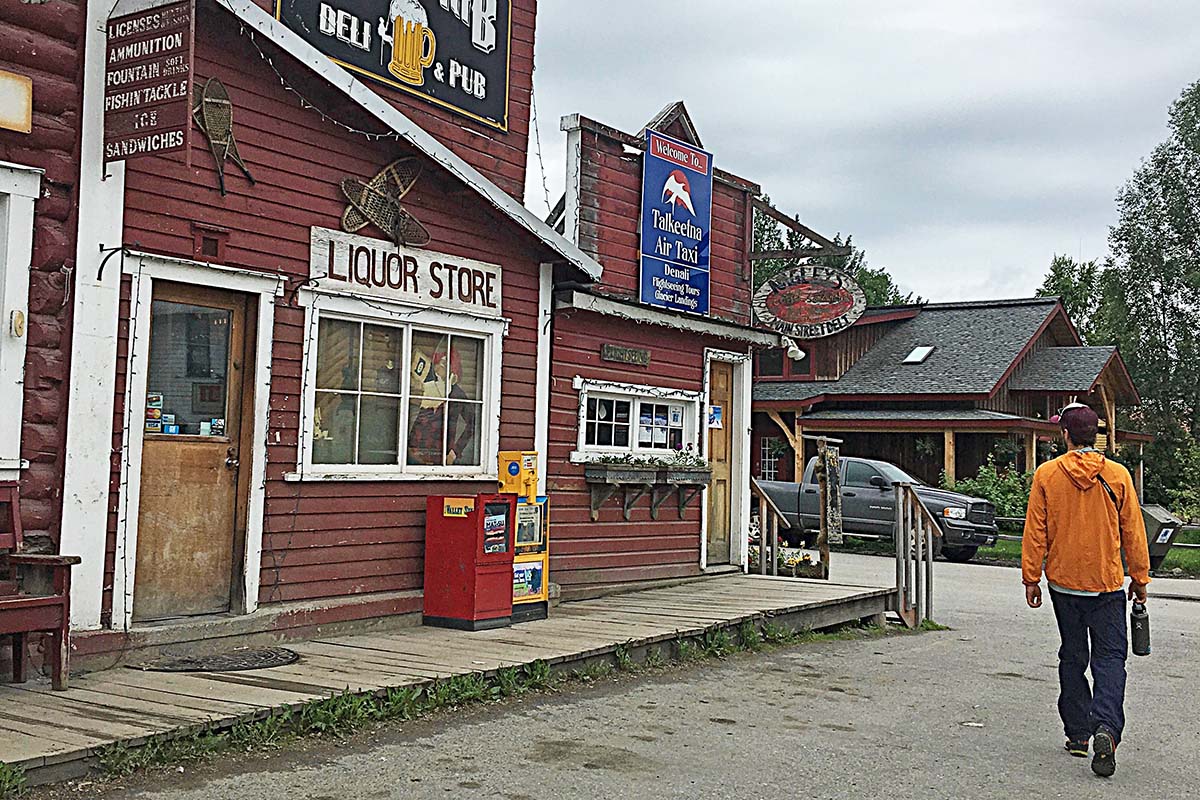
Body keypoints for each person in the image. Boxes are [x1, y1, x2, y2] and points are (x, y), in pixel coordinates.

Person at [1022, 403, 1150, 778]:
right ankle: (1106, 728)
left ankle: (1078, 734)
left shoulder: (1047, 475)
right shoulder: (1118, 474)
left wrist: (1032, 577)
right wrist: (1139, 579)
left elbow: (1035, 532)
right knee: (1110, 660)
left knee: (1072, 655)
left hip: (1064, 585)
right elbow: (1134, 533)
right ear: (1094, 435)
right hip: (1107, 585)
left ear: (1064, 435)